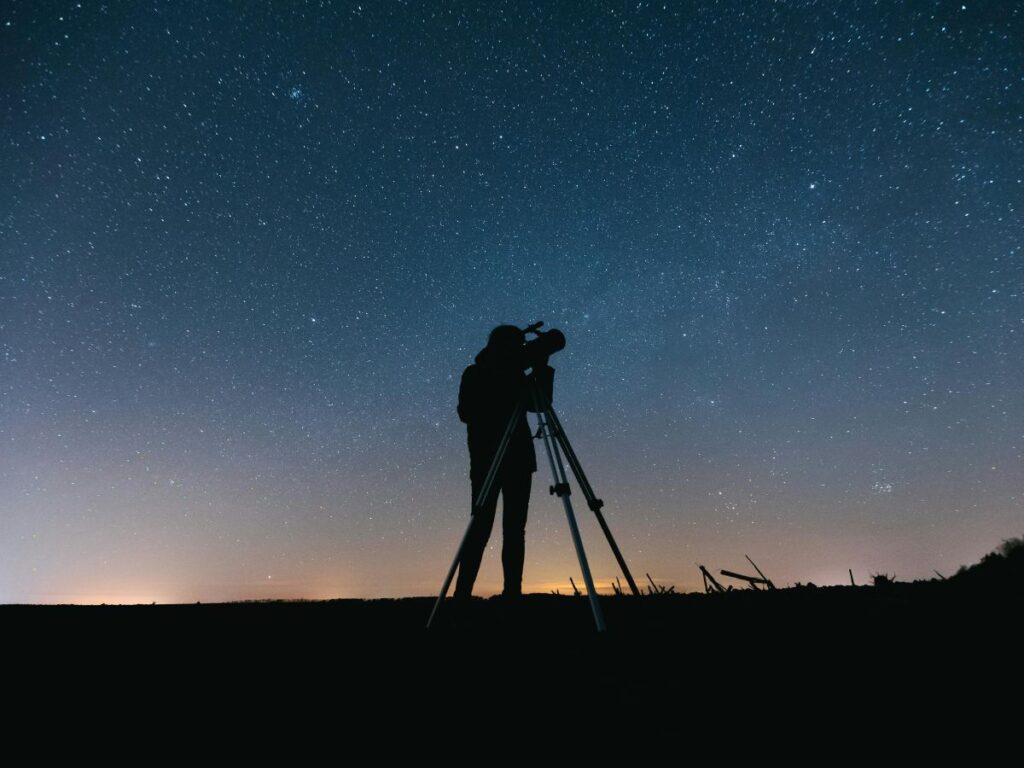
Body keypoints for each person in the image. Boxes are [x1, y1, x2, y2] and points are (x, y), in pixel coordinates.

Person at [453, 324, 553, 600]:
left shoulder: (519, 375)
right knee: (480, 527)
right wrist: (502, 386)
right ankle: (462, 594)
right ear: (499, 345)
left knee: (514, 530)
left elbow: (541, 405)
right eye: (516, 345)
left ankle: (513, 594)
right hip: (488, 460)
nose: (519, 350)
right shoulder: (475, 373)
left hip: (519, 460)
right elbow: (466, 412)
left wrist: (542, 366)